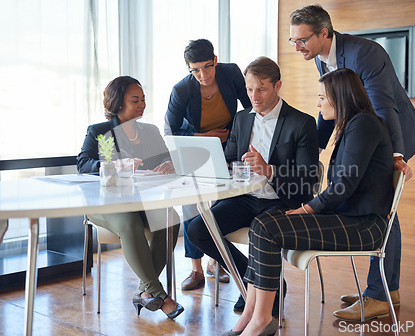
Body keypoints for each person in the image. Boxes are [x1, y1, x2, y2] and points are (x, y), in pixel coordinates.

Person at [222, 68, 395, 336]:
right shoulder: (355, 124)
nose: (318, 104)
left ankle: (261, 320)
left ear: (340, 98)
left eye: (322, 98)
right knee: (262, 223)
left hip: (363, 226)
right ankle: (251, 314)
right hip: (349, 219)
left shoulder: (363, 125)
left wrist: (306, 209)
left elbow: (342, 186)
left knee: (266, 228)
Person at [288, 4, 415, 321]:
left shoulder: (365, 53)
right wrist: (310, 150)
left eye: (301, 40)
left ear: (324, 33)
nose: (297, 47)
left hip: (389, 138)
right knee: (381, 209)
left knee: (383, 210)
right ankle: (385, 290)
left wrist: (394, 156)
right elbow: (332, 100)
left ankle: (379, 295)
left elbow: (383, 107)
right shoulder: (321, 57)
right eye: (292, 41)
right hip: (367, 136)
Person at [187, 56, 319, 317]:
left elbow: (308, 178)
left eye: (261, 89)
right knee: (198, 229)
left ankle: (259, 292)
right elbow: (230, 158)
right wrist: (209, 163)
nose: (254, 96)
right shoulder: (241, 119)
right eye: (249, 89)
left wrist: (268, 169)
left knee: (260, 231)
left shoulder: (301, 123)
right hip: (244, 198)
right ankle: (255, 281)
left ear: (277, 86)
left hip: (282, 201)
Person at [77, 76, 184, 319]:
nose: (141, 104)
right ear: (117, 102)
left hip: (142, 202)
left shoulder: (150, 131)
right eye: (135, 100)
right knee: (129, 222)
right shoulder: (101, 132)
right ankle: (159, 294)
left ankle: (146, 292)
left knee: (170, 218)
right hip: (105, 203)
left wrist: (168, 163)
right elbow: (84, 165)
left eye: (143, 99)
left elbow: (165, 159)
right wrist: (116, 165)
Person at [165, 39, 252, 290]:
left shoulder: (231, 72)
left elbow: (249, 108)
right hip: (196, 147)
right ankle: (196, 270)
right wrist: (205, 137)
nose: (202, 75)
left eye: (207, 67)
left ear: (215, 60)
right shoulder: (181, 90)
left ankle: (217, 262)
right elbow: (171, 132)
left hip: (229, 143)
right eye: (195, 70)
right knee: (193, 206)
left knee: (221, 204)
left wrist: (236, 139)